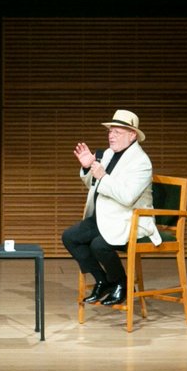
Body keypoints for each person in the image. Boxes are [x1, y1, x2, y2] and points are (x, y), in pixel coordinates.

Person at [62, 109, 161, 305]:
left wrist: (102, 176)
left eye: (117, 132)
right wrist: (87, 167)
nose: (111, 136)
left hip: (130, 219)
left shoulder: (141, 162)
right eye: (110, 131)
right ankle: (103, 280)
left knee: (99, 244)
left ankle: (121, 283)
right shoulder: (108, 154)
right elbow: (94, 183)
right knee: (70, 237)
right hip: (106, 217)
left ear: (132, 135)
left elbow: (127, 197)